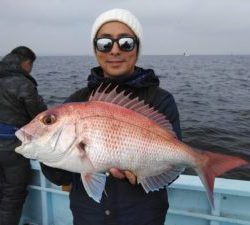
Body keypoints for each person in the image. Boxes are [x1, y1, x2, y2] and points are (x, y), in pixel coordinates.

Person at [41, 8, 182, 225]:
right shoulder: (77, 101)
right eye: (104, 43)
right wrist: (48, 151)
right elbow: (60, 177)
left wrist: (145, 172)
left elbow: (173, 164)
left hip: (144, 217)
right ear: (96, 50)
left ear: (137, 48)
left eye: (125, 42)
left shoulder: (160, 100)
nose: (114, 51)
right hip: (88, 216)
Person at [0, 46, 47, 225]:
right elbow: (41, 116)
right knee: (12, 195)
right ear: (26, 63)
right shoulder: (23, 83)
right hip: (12, 148)